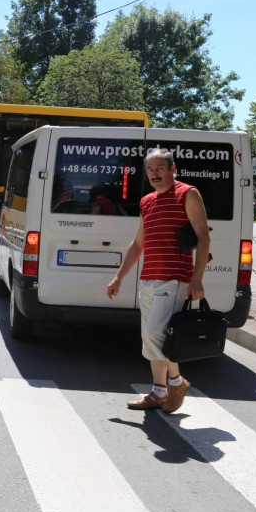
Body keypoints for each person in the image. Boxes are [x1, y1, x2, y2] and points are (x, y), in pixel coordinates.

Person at [106, 147, 210, 413]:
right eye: (150, 169)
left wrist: (197, 279)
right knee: (150, 338)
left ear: (173, 169)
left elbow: (203, 236)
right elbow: (137, 243)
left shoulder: (188, 193)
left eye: (160, 168)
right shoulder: (147, 201)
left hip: (174, 279)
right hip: (148, 279)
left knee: (155, 336)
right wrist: (118, 277)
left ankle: (176, 382)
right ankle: (158, 392)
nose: (154, 174)